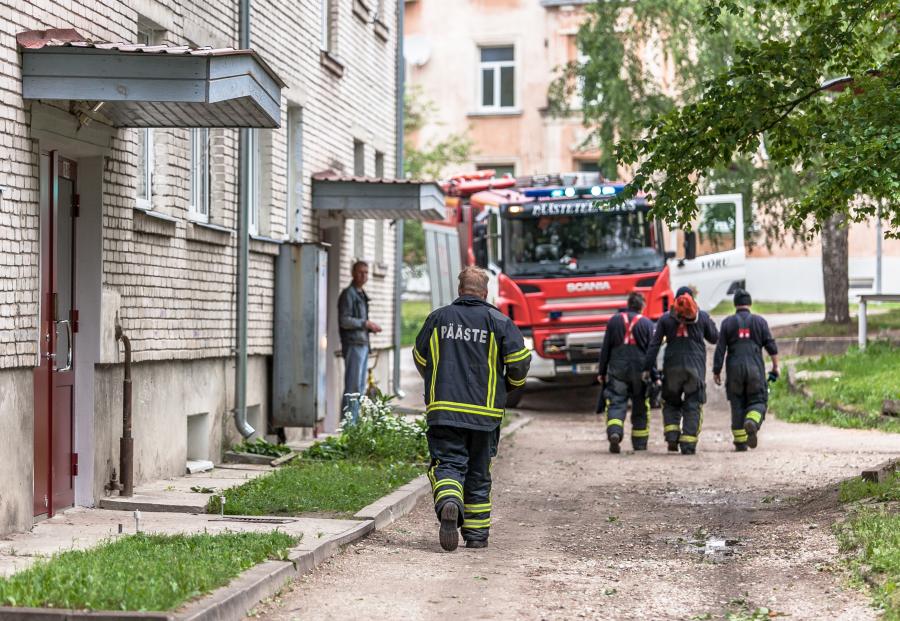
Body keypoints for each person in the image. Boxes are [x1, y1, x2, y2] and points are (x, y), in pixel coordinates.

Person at [413, 266, 531, 551]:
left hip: (444, 411)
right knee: (479, 473)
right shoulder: (499, 321)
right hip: (485, 415)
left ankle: (450, 503)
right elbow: (519, 362)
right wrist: (509, 387)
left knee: (449, 465)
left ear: (460, 290)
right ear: (485, 292)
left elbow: (420, 356)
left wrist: (436, 382)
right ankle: (477, 537)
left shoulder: (438, 318)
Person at [645, 286, 718, 455]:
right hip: (695, 369)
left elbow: (654, 345)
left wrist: (647, 368)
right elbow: (715, 338)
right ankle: (688, 444)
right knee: (693, 404)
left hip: (672, 368)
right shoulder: (702, 317)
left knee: (670, 402)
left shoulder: (665, 319)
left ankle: (672, 436)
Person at [712, 289, 779, 451]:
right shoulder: (760, 322)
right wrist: (776, 367)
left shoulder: (727, 323)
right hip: (755, 369)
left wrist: (716, 370)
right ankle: (753, 422)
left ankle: (740, 442)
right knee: (758, 401)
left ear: (735, 304)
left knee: (737, 405)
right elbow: (771, 346)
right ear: (749, 304)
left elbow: (720, 348)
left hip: (734, 370)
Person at [597, 291, 657, 453]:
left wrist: (601, 371)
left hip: (617, 368)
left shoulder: (614, 321)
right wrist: (654, 375)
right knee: (640, 405)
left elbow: (606, 349)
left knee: (616, 402)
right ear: (642, 306)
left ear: (628, 304)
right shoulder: (647, 324)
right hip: (639, 369)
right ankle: (639, 443)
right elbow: (651, 352)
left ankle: (615, 433)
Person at [338, 261, 381, 422]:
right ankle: (348, 426)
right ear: (353, 273)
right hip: (353, 344)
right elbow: (344, 320)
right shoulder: (348, 294)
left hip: (362, 343)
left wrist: (370, 327)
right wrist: (365, 324)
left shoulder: (360, 293)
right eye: (360, 272)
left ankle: (354, 425)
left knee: (359, 387)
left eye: (366, 272)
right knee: (353, 387)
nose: (364, 275)